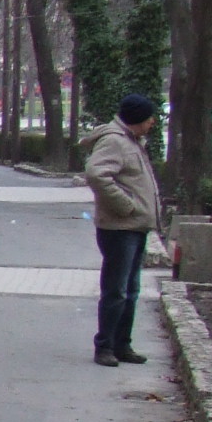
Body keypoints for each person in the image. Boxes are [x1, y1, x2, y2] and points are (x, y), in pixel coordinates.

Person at [84, 92, 161, 368]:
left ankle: (122, 344)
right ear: (137, 119)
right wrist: (127, 206)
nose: (153, 122)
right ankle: (105, 346)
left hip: (135, 226)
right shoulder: (115, 141)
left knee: (130, 289)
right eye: (149, 117)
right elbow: (96, 174)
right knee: (116, 290)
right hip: (120, 228)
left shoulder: (133, 141)